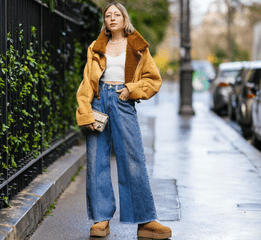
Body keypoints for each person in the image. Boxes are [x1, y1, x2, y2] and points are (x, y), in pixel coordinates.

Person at [76, 2, 172, 239]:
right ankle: (100, 219)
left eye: (116, 14)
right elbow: (87, 82)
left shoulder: (137, 46)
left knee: (133, 159)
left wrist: (132, 89)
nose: (112, 18)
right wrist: (85, 111)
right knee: (96, 159)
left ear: (124, 18)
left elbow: (153, 79)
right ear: (105, 21)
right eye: (108, 15)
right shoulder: (96, 47)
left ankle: (145, 221)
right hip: (99, 100)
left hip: (122, 99)